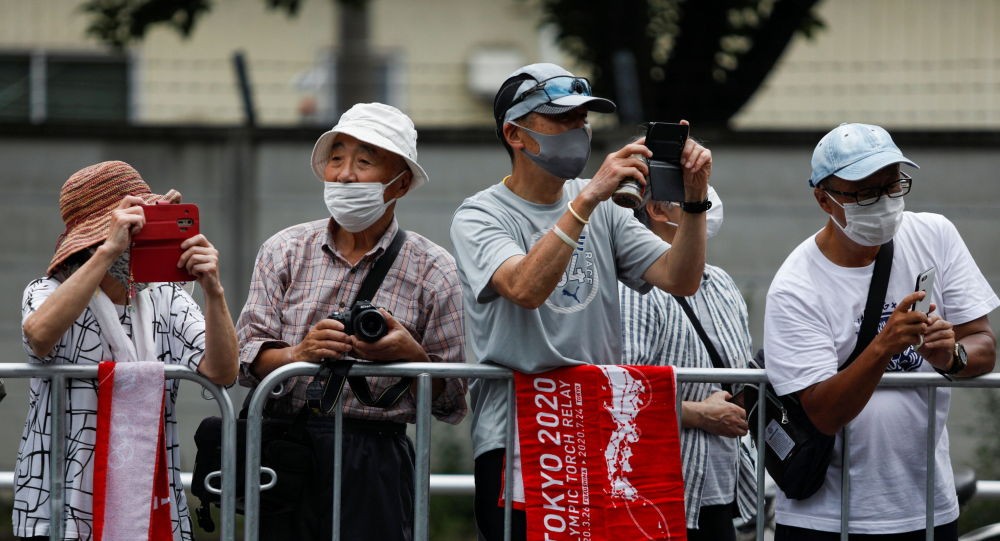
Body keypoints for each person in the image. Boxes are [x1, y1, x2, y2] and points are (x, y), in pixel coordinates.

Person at [449, 62, 714, 541]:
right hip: (519, 433)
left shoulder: (604, 208)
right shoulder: (481, 214)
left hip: (596, 423)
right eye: (562, 119)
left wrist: (694, 203)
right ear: (516, 134)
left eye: (583, 120)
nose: (579, 131)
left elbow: (681, 278)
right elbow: (525, 288)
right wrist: (587, 198)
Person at [236, 102, 468, 541]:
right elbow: (246, 353)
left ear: (400, 183)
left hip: (377, 454)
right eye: (336, 158)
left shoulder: (433, 269)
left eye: (364, 162)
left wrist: (410, 356)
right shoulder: (284, 250)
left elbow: (452, 397)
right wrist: (298, 354)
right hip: (289, 446)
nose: (344, 175)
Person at [763, 123, 998, 540]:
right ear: (824, 199)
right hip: (828, 517)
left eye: (893, 186)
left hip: (928, 507)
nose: (885, 203)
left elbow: (983, 345)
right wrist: (883, 346)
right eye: (865, 193)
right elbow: (822, 413)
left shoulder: (934, 235)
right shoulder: (796, 285)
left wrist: (951, 357)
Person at [15, 160, 239, 540]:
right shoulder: (48, 289)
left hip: (152, 501)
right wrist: (107, 250)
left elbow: (223, 372)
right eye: (130, 229)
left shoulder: (167, 296)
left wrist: (213, 291)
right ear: (91, 240)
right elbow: (39, 334)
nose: (134, 241)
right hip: (60, 507)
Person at [619, 187, 756, 541]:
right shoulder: (635, 287)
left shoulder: (721, 281)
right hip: (657, 494)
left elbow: (739, 374)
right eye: (692, 190)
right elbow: (620, 394)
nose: (708, 198)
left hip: (719, 486)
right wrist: (697, 413)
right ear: (658, 210)